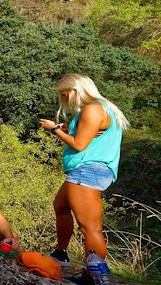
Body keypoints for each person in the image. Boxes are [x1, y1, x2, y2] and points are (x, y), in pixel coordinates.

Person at [40, 73, 128, 283]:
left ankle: (97, 276)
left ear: (77, 90)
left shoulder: (93, 109)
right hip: (85, 170)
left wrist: (53, 129)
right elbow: (89, 136)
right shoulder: (101, 108)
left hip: (88, 170)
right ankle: (60, 253)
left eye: (65, 94)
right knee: (60, 205)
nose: (65, 99)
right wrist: (67, 129)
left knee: (89, 226)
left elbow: (79, 144)